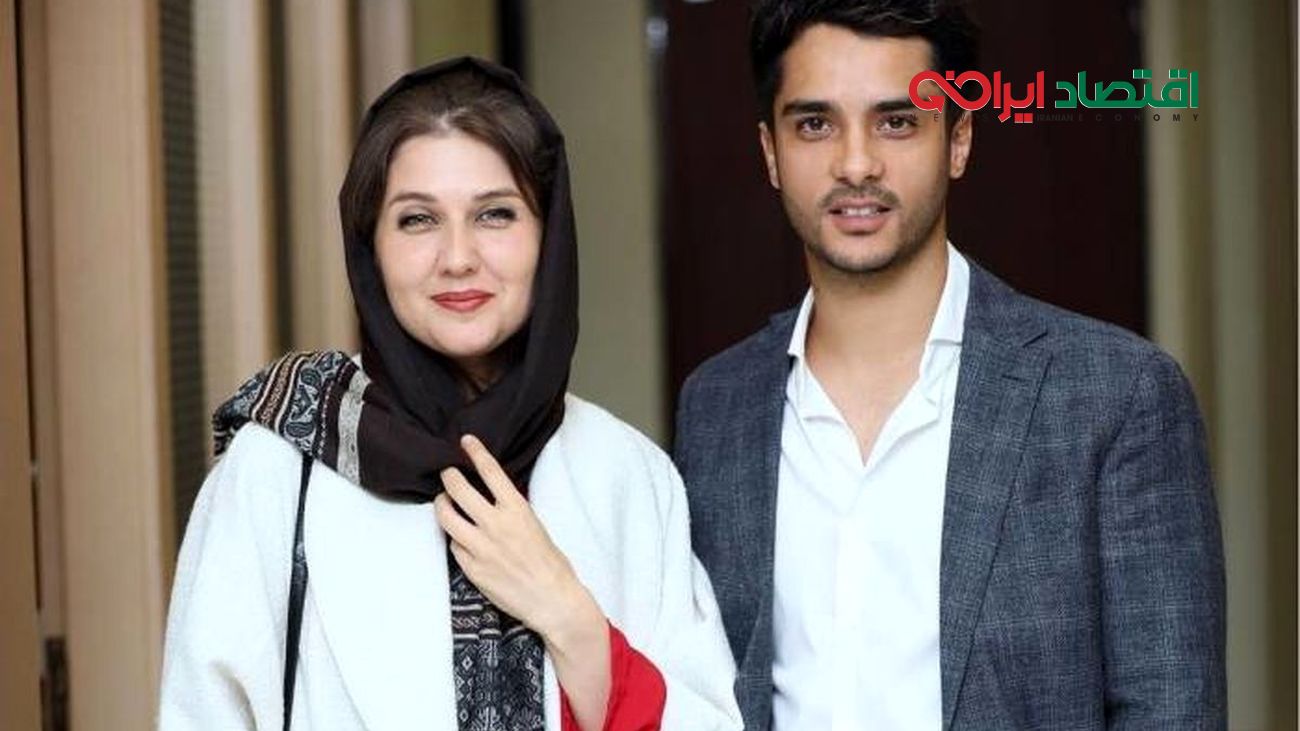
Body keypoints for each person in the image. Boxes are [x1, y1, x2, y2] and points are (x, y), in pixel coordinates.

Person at [673, 2, 1227, 730]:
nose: (856, 164)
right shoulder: (716, 406)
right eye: (815, 124)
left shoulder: (1115, 396)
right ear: (770, 152)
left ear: (958, 138)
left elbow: (1173, 708)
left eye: (896, 122)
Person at [159, 57, 742, 731]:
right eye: (417, 220)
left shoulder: (627, 476)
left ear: (549, 237)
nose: (458, 257)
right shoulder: (281, 468)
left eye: (495, 214)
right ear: (370, 246)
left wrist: (565, 611)